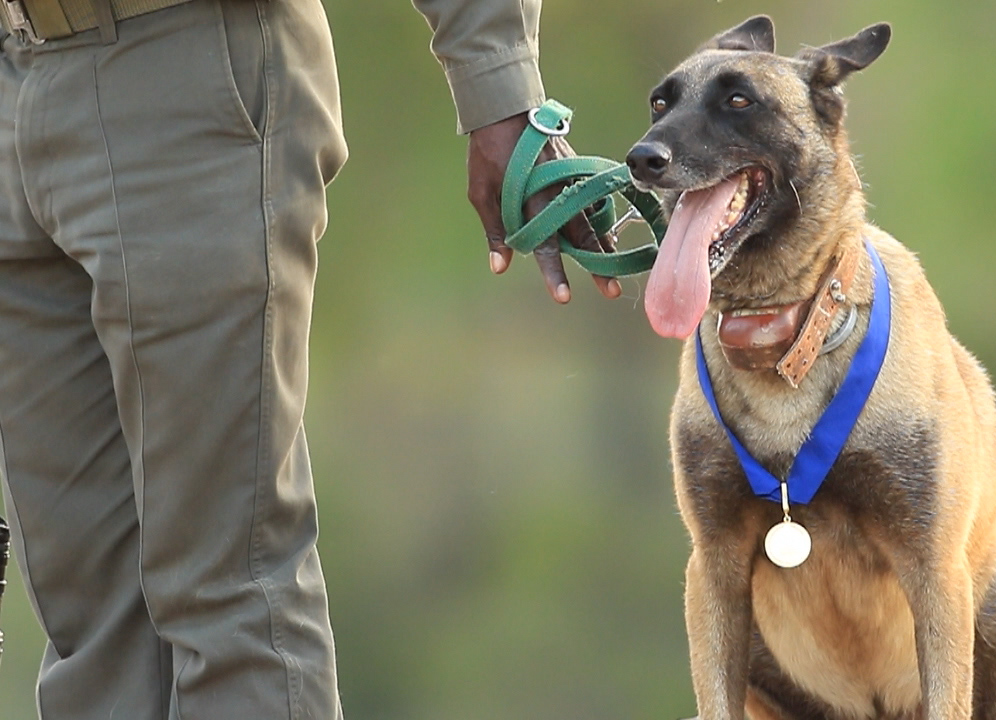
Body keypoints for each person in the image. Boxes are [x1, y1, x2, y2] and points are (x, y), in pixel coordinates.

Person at [0, 0, 598, 717]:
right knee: (88, 624)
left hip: (188, 65)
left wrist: (500, 87)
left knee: (228, 598)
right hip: (18, 72)